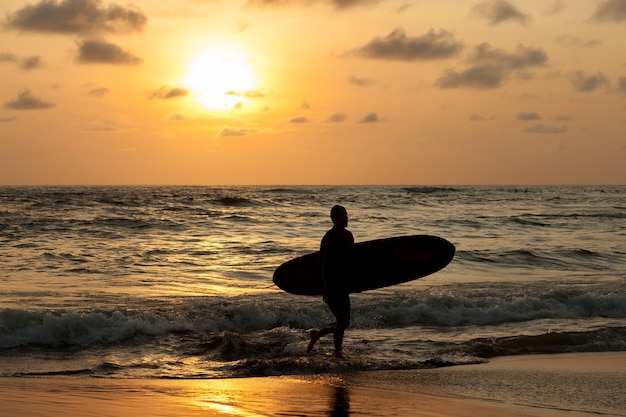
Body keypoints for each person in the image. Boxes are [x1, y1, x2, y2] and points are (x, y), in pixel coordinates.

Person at [307, 205, 354, 358]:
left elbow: (352, 262)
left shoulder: (349, 236)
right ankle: (337, 353)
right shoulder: (329, 237)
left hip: (343, 286)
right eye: (342, 215)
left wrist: (356, 283)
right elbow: (322, 264)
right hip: (331, 286)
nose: (346, 218)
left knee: (344, 322)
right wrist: (325, 289)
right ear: (334, 219)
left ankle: (318, 334)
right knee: (342, 321)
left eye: (346, 215)